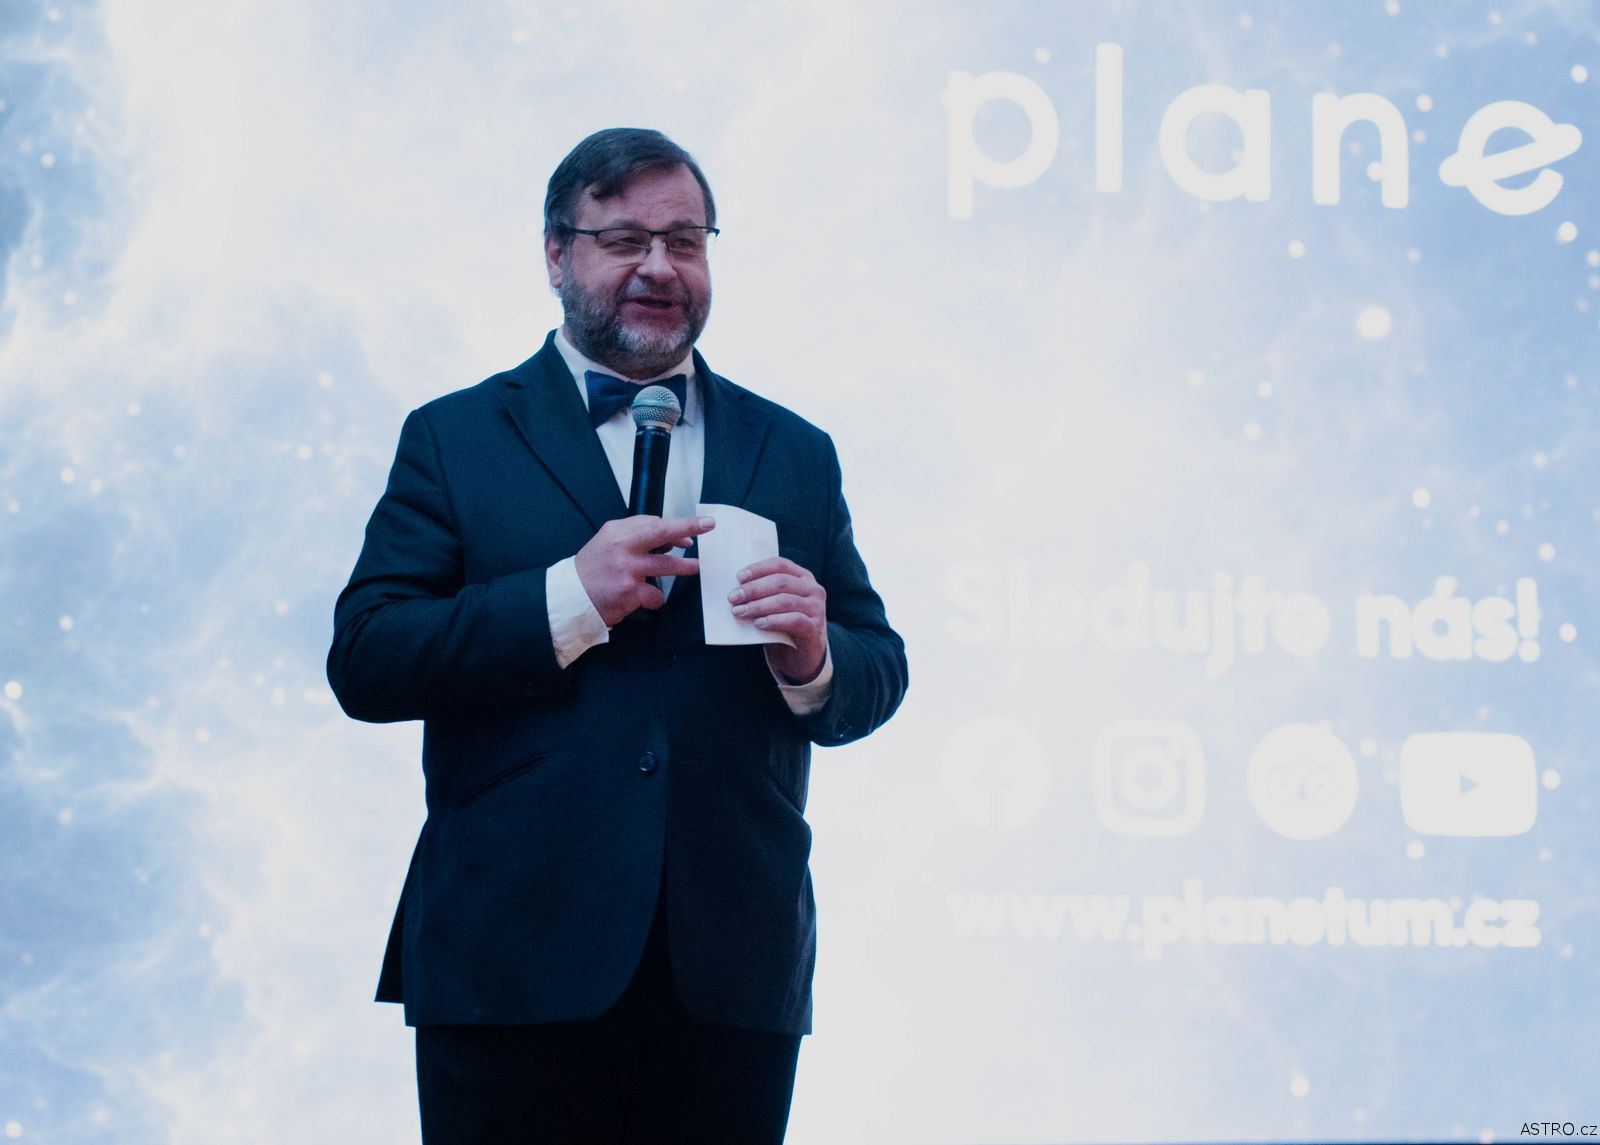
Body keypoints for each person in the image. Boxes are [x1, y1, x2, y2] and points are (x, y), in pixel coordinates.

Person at [326, 127, 908, 1144]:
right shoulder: (455, 437)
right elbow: (368, 657)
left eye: (685, 240)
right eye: (625, 240)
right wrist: (568, 597)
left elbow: (879, 666)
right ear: (556, 254)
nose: (659, 267)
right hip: (510, 958)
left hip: (732, 967)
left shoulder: (795, 449)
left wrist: (815, 659)